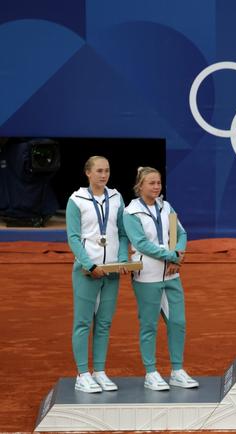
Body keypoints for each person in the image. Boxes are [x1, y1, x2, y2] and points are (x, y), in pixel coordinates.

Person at [123, 167, 198, 390]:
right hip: (147, 276)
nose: (156, 187)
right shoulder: (131, 212)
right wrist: (171, 255)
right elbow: (141, 244)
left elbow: (180, 234)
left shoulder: (167, 207)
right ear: (140, 186)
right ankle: (151, 373)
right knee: (149, 325)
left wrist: (177, 257)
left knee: (178, 322)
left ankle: (177, 370)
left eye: (158, 183)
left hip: (172, 274)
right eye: (151, 183)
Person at [66, 156, 129, 393]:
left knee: (103, 324)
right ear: (88, 173)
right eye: (99, 171)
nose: (104, 175)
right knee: (83, 323)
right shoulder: (77, 200)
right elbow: (73, 237)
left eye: (107, 171)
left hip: (111, 272)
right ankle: (82, 374)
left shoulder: (116, 197)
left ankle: (99, 372)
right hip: (86, 272)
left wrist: (122, 258)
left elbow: (123, 233)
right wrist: (89, 265)